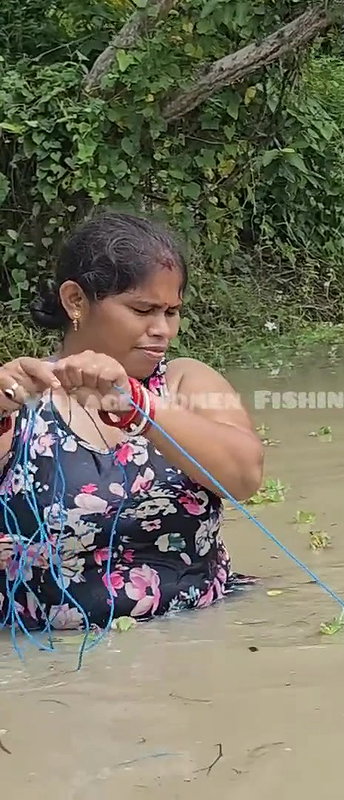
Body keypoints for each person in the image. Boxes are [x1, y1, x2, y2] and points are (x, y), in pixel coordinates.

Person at [0, 210, 264, 631]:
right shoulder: (17, 400)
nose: (163, 330)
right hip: (57, 662)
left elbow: (245, 477)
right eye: (142, 310)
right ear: (75, 301)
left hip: (205, 636)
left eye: (171, 312)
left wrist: (137, 407)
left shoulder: (184, 383)